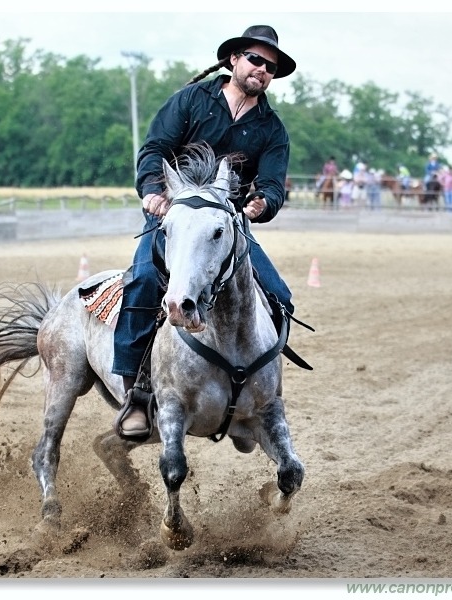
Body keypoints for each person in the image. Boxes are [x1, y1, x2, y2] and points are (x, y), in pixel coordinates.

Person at [112, 24, 297, 439]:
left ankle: (260, 394)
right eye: (255, 60)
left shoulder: (271, 129)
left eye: (270, 66)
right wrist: (152, 193)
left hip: (228, 226)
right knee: (142, 281)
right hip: (173, 217)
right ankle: (138, 396)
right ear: (233, 60)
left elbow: (271, 183)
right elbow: (154, 150)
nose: (262, 70)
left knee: (281, 297)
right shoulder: (192, 101)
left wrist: (262, 203)